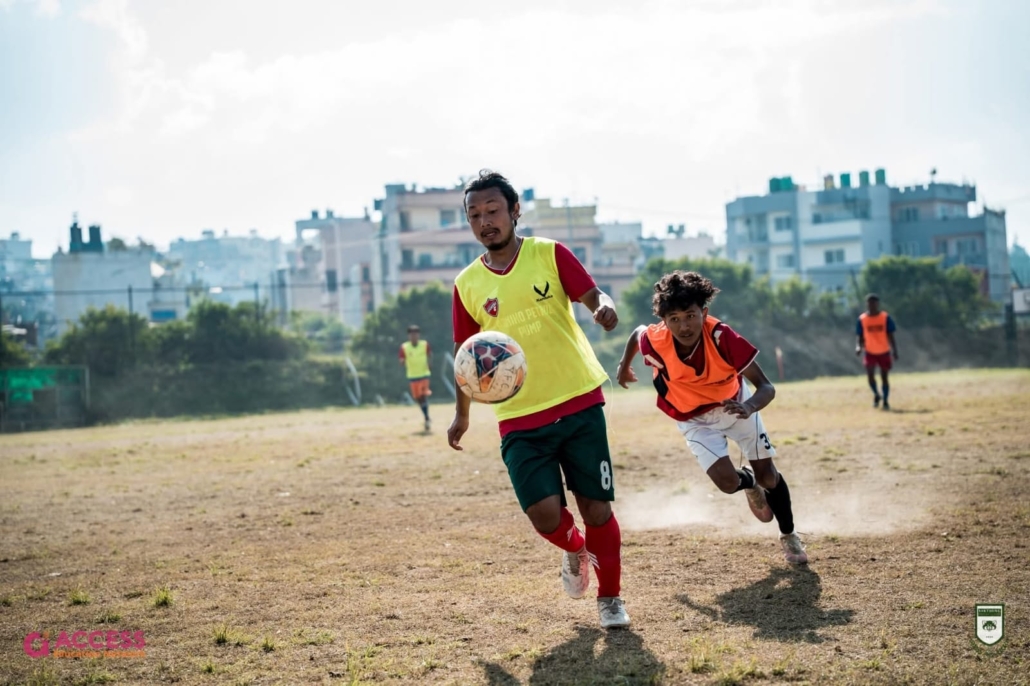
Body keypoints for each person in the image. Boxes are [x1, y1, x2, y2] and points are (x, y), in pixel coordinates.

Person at [447, 170, 631, 629]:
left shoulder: (549, 254)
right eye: (475, 215)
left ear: (514, 211)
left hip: (578, 401)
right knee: (544, 514)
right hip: (517, 417)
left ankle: (610, 600)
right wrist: (462, 414)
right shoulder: (466, 284)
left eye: (492, 211)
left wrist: (603, 308)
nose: (485, 221)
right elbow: (465, 358)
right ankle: (575, 552)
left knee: (596, 509)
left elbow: (593, 294)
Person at [616, 270, 807, 565]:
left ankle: (789, 535)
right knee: (728, 482)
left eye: (690, 315)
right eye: (674, 319)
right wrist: (623, 365)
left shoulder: (722, 337)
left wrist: (749, 407)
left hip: (737, 405)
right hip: (693, 417)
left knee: (770, 475)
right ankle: (750, 485)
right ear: (664, 321)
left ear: (704, 312)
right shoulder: (656, 340)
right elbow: (637, 333)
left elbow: (766, 387)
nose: (684, 325)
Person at [856, 294, 898, 410]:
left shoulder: (885, 317)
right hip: (870, 351)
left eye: (874, 303)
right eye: (869, 303)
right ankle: (876, 394)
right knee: (870, 375)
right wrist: (858, 347)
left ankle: (885, 400)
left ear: (877, 304)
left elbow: (890, 335)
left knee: (884, 377)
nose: (872, 305)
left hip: (884, 351)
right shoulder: (862, 319)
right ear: (867, 304)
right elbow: (860, 335)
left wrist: (894, 350)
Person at [399, 324, 432, 431]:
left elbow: (430, 354)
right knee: (418, 398)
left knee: (423, 396)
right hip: (412, 376)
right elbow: (401, 359)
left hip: (424, 374)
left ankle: (427, 418)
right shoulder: (404, 347)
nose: (414, 336)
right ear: (409, 336)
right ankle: (426, 416)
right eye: (411, 334)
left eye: (416, 334)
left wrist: (430, 364)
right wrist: (402, 362)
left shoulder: (424, 344)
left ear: (419, 335)